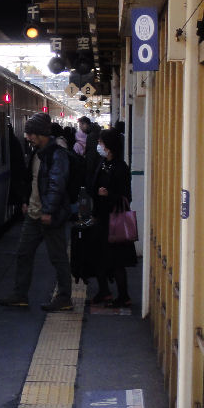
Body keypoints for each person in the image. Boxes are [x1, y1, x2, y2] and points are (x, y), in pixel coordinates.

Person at [0, 112, 74, 312]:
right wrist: (25, 201)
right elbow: (31, 180)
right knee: (23, 253)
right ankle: (19, 294)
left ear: (40, 134)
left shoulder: (56, 155)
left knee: (58, 257)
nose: (28, 137)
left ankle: (64, 297)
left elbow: (56, 185)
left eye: (30, 134)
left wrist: (48, 211)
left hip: (50, 216)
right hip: (33, 214)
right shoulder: (37, 153)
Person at [87, 128, 136, 307]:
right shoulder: (102, 163)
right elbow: (93, 186)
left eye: (101, 142)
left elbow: (126, 196)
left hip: (115, 220)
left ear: (109, 146)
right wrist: (96, 194)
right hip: (101, 218)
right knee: (98, 256)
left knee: (116, 260)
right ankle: (104, 291)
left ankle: (124, 296)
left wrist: (109, 195)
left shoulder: (121, 167)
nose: (99, 145)